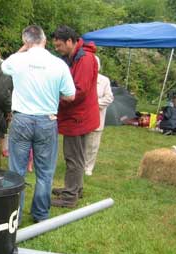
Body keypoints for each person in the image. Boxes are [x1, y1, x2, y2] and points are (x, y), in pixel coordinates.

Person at [1, 25, 75, 223]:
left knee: (16, 170)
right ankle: (41, 214)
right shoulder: (58, 64)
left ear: (26, 41)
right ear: (45, 40)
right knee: (45, 171)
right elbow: (70, 95)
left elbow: (3, 67)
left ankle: (13, 216)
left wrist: (22, 50)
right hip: (47, 120)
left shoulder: (17, 60)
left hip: (22, 119)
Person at [50, 25, 99, 208]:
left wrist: (55, 101)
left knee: (73, 157)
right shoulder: (74, 57)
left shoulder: (85, 59)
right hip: (78, 115)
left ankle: (69, 197)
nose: (57, 49)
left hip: (79, 117)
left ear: (70, 41)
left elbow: (78, 91)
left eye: (59, 45)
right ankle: (75, 189)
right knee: (77, 156)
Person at [84, 56, 114, 176]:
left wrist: (94, 103)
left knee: (92, 144)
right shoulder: (81, 78)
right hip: (81, 117)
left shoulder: (104, 80)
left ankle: (88, 167)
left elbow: (109, 98)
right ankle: (78, 164)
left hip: (96, 116)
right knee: (79, 143)